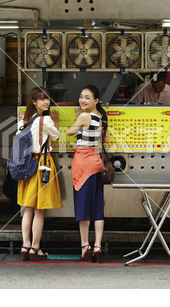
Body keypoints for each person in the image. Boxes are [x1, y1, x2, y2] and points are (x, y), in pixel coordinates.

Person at [17, 87, 62, 262]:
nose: (46, 102)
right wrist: (55, 121)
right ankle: (35, 248)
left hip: (26, 165)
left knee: (27, 209)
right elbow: (56, 137)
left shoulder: (23, 120)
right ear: (34, 102)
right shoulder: (47, 120)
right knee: (39, 210)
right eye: (42, 99)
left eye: (48, 99)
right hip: (42, 164)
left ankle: (25, 246)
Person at [68, 85, 109, 263]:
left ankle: (85, 247)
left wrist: (77, 118)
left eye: (87, 97)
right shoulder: (101, 117)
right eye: (81, 96)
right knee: (97, 206)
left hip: (83, 165)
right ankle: (98, 246)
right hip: (97, 163)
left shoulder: (84, 116)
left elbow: (70, 132)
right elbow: (105, 139)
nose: (82, 100)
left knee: (83, 206)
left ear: (96, 101)